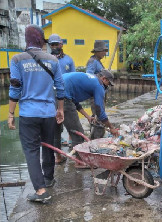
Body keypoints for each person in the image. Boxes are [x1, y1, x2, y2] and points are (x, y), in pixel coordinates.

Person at [7, 24, 64, 203]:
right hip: (48, 113)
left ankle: (40, 191)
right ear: (41, 40)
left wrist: (10, 114)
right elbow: (60, 87)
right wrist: (60, 109)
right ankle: (48, 179)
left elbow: (15, 88)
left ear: (27, 39)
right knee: (48, 146)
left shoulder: (17, 59)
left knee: (31, 151)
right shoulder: (53, 60)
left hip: (28, 113)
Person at [53, 69, 119, 168]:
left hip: (51, 96)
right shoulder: (98, 85)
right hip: (64, 98)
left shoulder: (89, 78)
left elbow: (74, 102)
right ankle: (79, 162)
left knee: (56, 129)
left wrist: (87, 116)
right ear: (104, 79)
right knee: (78, 132)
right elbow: (100, 111)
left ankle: (58, 158)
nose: (107, 86)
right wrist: (111, 127)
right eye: (108, 84)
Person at [48, 33, 75, 163]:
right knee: (56, 128)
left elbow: (73, 78)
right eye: (51, 45)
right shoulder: (46, 60)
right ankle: (58, 156)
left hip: (66, 97)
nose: (54, 47)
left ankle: (75, 152)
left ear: (61, 44)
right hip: (51, 98)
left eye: (56, 44)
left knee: (72, 125)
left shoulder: (68, 60)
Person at [86, 40, 109, 117]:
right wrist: (99, 77)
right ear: (97, 51)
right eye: (103, 51)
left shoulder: (98, 61)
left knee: (101, 113)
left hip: (101, 92)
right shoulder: (92, 61)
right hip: (96, 93)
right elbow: (89, 76)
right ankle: (95, 128)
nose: (105, 53)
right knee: (97, 114)